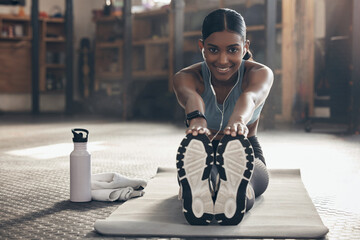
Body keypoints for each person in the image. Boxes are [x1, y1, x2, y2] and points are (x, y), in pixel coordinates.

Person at [173, 8, 273, 225]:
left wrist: (238, 121)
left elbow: (250, 97)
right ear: (202, 48)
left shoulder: (260, 73)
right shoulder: (186, 77)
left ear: (245, 47)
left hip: (245, 150)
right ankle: (200, 186)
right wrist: (197, 119)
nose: (223, 60)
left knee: (254, 180)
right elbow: (191, 97)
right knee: (205, 174)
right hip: (201, 152)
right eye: (213, 50)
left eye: (233, 50)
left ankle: (238, 192)